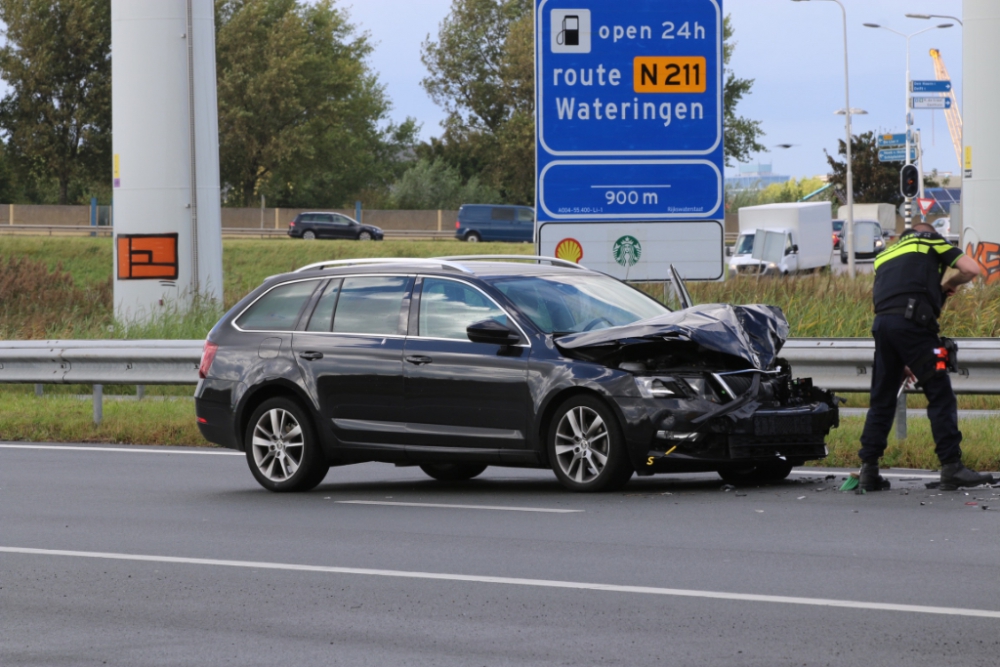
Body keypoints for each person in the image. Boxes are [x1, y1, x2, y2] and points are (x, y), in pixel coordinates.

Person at [858, 222, 994, 491]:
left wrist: (905, 356)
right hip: (915, 325)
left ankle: (868, 470)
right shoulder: (930, 241)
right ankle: (952, 466)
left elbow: (898, 292)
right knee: (940, 392)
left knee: (882, 398)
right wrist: (949, 284)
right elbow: (971, 269)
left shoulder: (884, 254)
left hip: (883, 326)